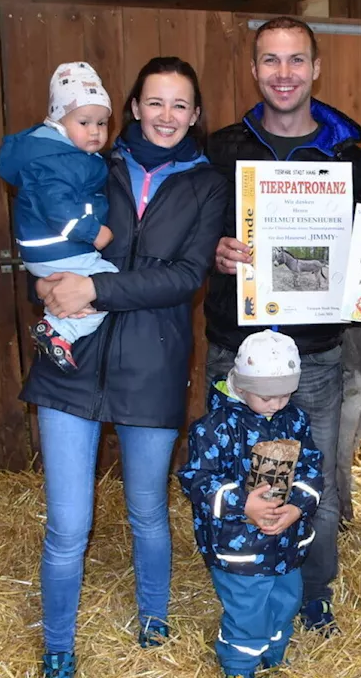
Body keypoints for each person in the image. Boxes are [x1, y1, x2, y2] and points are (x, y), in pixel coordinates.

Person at [205, 15, 361, 634]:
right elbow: (197, 233)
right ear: (254, 69)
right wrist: (217, 250)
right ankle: (252, 590)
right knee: (242, 474)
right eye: (270, 61)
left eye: (295, 61)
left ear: (316, 68)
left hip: (313, 351)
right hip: (238, 347)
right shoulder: (224, 148)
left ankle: (314, 596)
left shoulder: (346, 152)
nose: (283, 74)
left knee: (315, 478)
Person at [22, 56, 229, 678]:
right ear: (133, 108)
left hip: (152, 365)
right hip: (71, 362)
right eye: (155, 102)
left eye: (180, 106)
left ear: (194, 116)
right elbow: (44, 228)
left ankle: (154, 615)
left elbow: (186, 276)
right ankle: (59, 641)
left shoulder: (207, 183)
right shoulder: (88, 161)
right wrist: (46, 285)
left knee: (146, 508)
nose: (167, 116)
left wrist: (94, 291)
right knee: (68, 524)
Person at [178, 330, 323, 678]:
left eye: (286, 394)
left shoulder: (295, 419)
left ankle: (275, 655)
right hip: (239, 546)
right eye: (267, 397)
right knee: (247, 611)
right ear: (240, 387)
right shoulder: (214, 428)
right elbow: (196, 480)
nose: (277, 404)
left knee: (286, 601)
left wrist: (298, 506)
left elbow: (312, 466)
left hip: (287, 540)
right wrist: (242, 504)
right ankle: (240, 665)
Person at [0, 61, 118, 373]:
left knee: (95, 290)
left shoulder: (62, 157)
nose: (95, 131)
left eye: (102, 123)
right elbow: (58, 208)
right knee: (109, 284)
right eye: (84, 122)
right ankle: (59, 330)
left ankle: (58, 323)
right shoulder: (57, 162)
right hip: (60, 247)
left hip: (48, 251)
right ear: (59, 122)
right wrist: (93, 232)